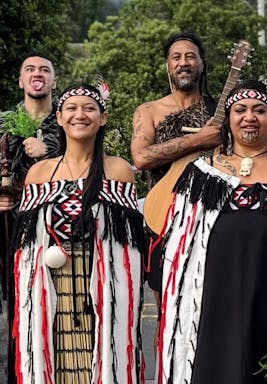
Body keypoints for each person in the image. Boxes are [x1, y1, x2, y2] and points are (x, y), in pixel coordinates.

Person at [156, 80, 267, 383]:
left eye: (259, 110)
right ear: (228, 120)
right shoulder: (203, 173)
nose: (249, 116)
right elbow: (180, 249)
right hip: (213, 297)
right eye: (240, 110)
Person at [10, 83, 146, 383]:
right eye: (71, 108)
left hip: (103, 289)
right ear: (59, 117)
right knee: (55, 365)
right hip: (50, 289)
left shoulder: (118, 170)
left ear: (103, 118)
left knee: (102, 360)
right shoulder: (40, 173)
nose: (79, 115)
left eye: (89, 108)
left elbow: (129, 248)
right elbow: (26, 248)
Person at [130, 31, 221, 303]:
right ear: (168, 66)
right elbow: (141, 158)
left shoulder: (220, 111)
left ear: (202, 64)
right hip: (164, 216)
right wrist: (198, 140)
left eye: (191, 56)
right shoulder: (149, 111)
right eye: (176, 57)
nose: (184, 62)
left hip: (215, 215)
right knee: (168, 306)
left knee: (215, 302)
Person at [0, 52, 62, 383]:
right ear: (21, 81)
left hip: (60, 226)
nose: (37, 74)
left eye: (44, 70)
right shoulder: (4, 124)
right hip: (13, 227)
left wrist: (49, 150)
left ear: (54, 81)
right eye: (29, 69)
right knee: (20, 308)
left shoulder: (69, 119)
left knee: (64, 305)